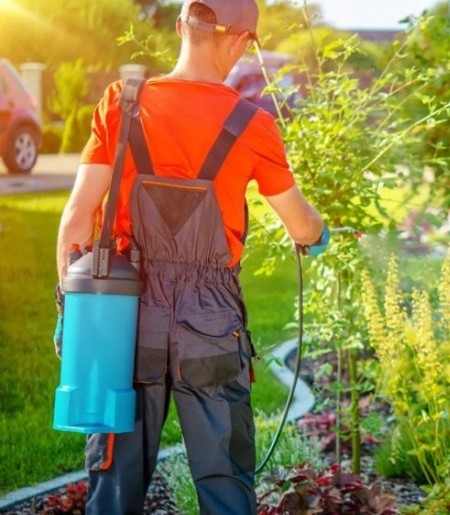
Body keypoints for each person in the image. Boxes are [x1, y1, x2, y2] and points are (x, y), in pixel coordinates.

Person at [53, 1, 327, 513]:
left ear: (181, 27)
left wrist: (73, 316)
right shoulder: (253, 123)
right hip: (211, 318)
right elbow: (301, 225)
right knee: (225, 481)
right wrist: (319, 234)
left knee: (114, 485)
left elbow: (74, 221)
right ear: (244, 42)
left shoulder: (121, 102)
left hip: (125, 316)